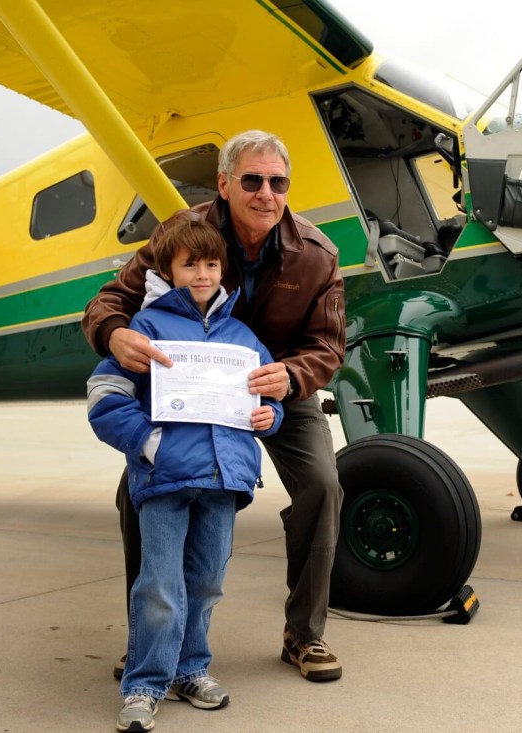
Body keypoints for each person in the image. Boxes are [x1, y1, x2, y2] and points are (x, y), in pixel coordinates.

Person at [82, 130, 347, 682]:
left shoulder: (318, 257)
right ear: (224, 184)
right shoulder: (183, 234)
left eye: (278, 182)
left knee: (323, 485)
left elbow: (328, 346)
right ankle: (148, 643)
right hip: (188, 394)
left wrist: (291, 375)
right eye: (252, 180)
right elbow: (111, 300)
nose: (266, 194)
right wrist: (112, 334)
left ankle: (304, 634)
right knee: (138, 490)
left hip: (271, 386)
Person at [87, 212, 283, 732]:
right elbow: (105, 396)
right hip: (166, 481)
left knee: (207, 582)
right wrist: (151, 445)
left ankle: (191, 669)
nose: (202, 274)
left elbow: (264, 398)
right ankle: (145, 683)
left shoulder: (243, 337)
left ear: (224, 269)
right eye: (189, 264)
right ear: (170, 271)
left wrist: (270, 415)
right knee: (159, 584)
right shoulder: (147, 328)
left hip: (224, 483)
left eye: (212, 263)